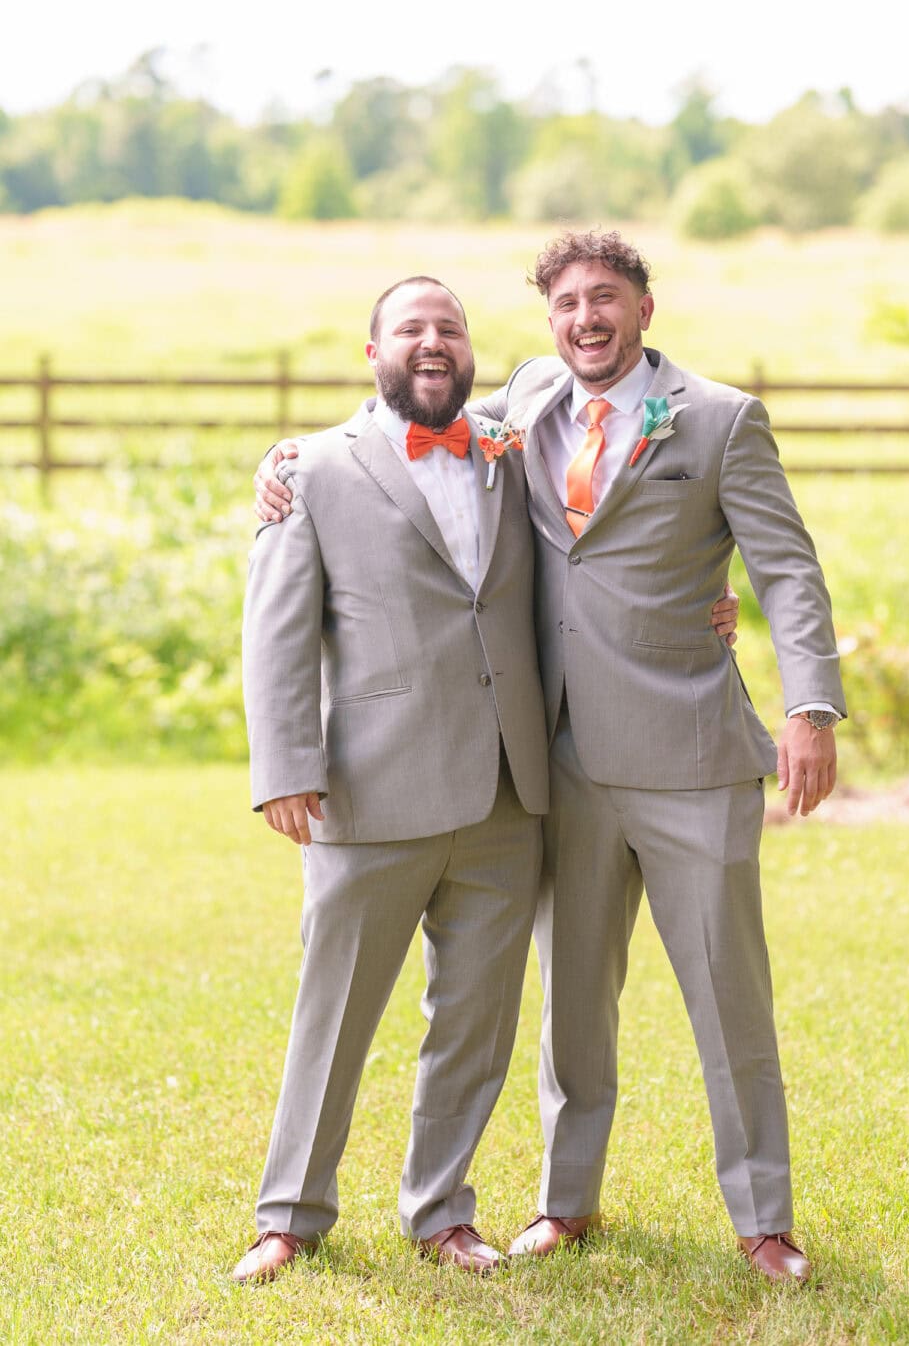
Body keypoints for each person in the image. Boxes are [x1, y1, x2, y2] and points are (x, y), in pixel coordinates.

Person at [257, 233, 838, 1283]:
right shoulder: (520, 411)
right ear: (547, 323)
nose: (585, 318)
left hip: (689, 751)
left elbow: (785, 569)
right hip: (555, 767)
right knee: (573, 1003)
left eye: (604, 299)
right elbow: (400, 430)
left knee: (727, 996)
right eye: (566, 302)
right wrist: (288, 459)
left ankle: (762, 1220)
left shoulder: (716, 420)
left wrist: (808, 704)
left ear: (643, 309)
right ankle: (564, 1203)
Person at [235, 275, 550, 1281]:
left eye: (448, 329)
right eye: (409, 328)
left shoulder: (513, 449)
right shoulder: (311, 469)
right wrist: (286, 766)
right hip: (366, 794)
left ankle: (440, 1210)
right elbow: (276, 629)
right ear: (371, 352)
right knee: (332, 1017)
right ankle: (289, 1215)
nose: (431, 342)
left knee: (474, 1021)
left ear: (471, 354)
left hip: (506, 796)